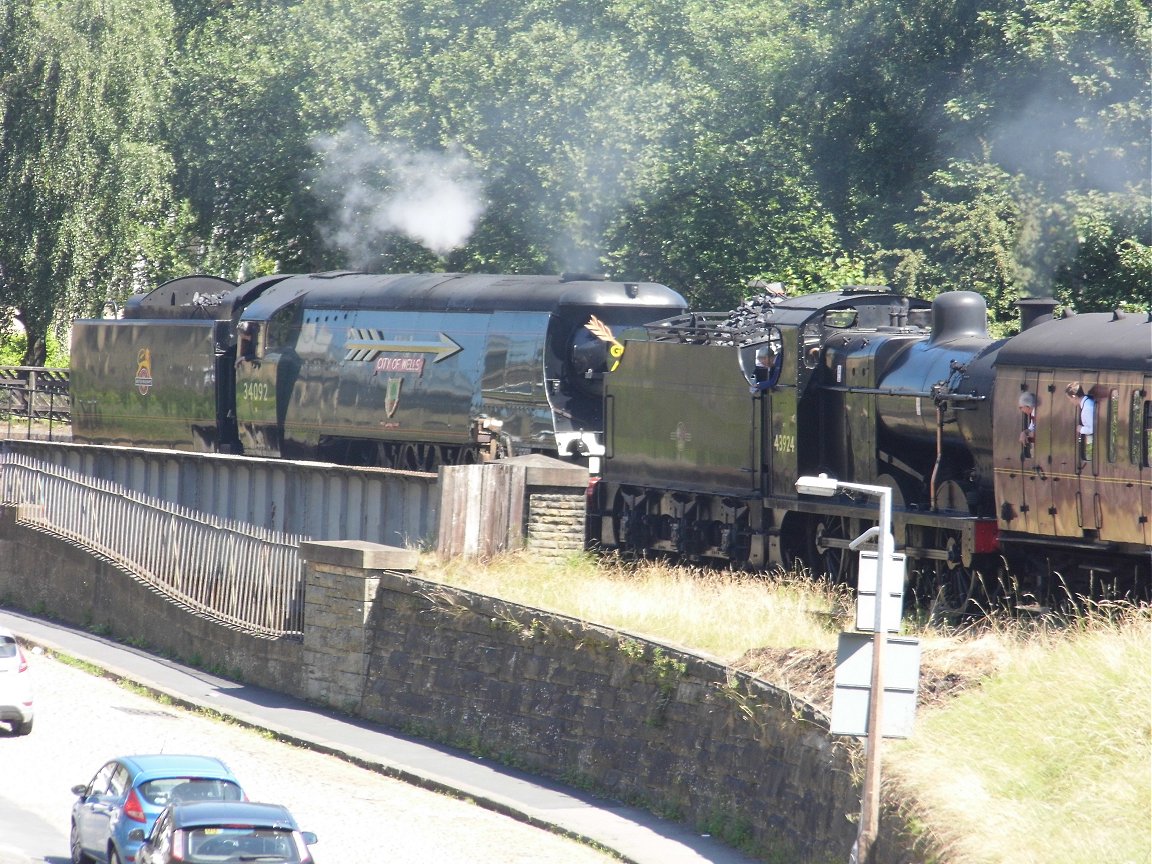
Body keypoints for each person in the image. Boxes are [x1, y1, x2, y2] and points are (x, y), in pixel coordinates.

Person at [1065, 381, 1095, 461]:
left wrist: (1080, 429)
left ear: (1074, 397)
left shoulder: (1087, 408)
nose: (1070, 401)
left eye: (1069, 398)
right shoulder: (1088, 403)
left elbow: (1092, 428)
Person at [1018, 391, 1037, 457]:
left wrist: (1028, 434)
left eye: (1021, 407)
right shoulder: (1033, 414)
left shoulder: (1038, 414)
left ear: (1027, 406)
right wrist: (1024, 433)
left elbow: (1038, 432)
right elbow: (1031, 428)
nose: (1021, 410)